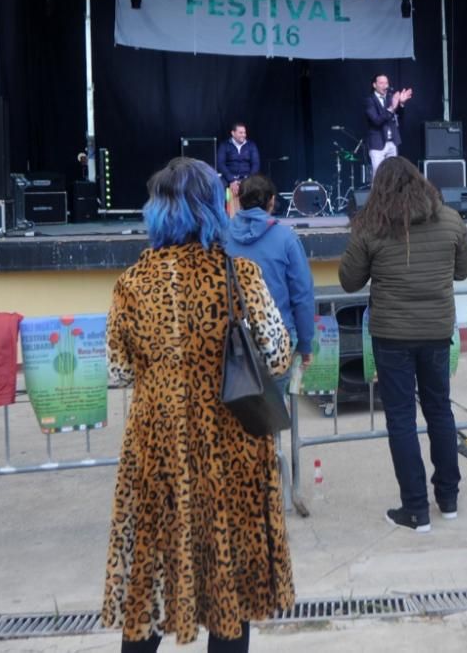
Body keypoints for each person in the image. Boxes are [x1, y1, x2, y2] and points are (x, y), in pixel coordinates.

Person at [102, 158, 295, 652]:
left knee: (148, 583)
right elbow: (276, 356)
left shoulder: (132, 284)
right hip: (232, 449)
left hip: (158, 451)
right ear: (213, 208)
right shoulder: (241, 275)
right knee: (228, 590)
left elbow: (117, 371)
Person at [338, 156, 467, 532]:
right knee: (439, 411)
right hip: (436, 330)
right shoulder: (450, 219)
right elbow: (462, 271)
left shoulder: (371, 226)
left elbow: (349, 280)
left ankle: (415, 509)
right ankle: (448, 499)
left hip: (392, 334)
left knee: (401, 418)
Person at [225, 174, 315, 389]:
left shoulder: (220, 236)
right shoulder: (286, 238)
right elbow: (302, 295)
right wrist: (305, 343)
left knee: (236, 416)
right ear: (272, 201)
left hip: (230, 340)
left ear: (240, 200)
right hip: (276, 340)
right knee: (274, 415)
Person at [365, 74, 412, 176]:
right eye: (381, 83)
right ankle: (377, 192)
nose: (385, 86)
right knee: (378, 176)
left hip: (392, 142)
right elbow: (376, 121)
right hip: (377, 144)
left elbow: (400, 118)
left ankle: (392, 192)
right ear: (374, 85)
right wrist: (391, 108)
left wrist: (401, 104)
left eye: (386, 83)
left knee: (393, 176)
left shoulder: (391, 98)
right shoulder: (369, 100)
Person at [217, 122, 261, 193]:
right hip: (228, 177)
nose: (243, 135)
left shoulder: (251, 145)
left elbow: (256, 164)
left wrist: (248, 180)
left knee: (259, 186)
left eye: (244, 133)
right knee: (219, 186)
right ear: (233, 133)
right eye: (240, 133)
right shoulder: (224, 145)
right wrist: (231, 180)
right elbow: (220, 164)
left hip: (247, 177)